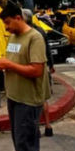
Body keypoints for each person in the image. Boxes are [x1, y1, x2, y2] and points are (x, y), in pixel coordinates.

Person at [0, 1, 48, 151]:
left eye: (8, 22)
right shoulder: (13, 37)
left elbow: (36, 70)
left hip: (28, 100)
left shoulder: (34, 38)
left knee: (27, 147)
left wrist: (9, 65)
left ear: (18, 18)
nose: (6, 27)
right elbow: (14, 61)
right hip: (14, 97)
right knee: (20, 145)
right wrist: (3, 63)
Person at [23, 9, 56, 138]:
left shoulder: (27, 33)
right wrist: (51, 64)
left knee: (32, 99)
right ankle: (48, 126)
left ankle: (36, 127)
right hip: (43, 65)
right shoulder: (40, 30)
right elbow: (48, 48)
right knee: (42, 97)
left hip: (31, 67)